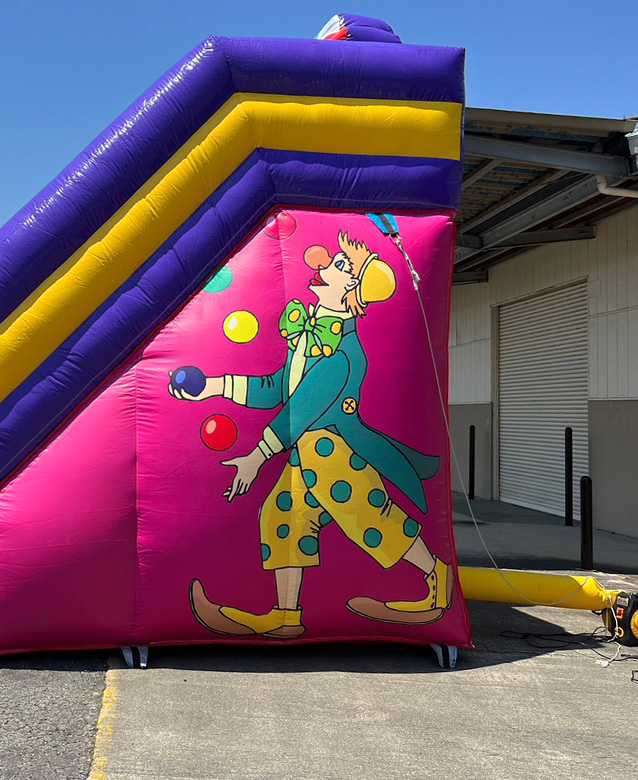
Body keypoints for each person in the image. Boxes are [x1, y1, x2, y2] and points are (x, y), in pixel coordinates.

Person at [170, 229, 452, 638]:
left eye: (339, 266)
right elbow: (276, 390)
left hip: (332, 452)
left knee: (370, 519)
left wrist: (256, 457)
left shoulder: (342, 352)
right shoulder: (309, 339)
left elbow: (300, 410)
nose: (323, 264)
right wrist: (212, 387)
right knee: (284, 518)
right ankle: (287, 615)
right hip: (308, 454)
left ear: (352, 292)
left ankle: (437, 576)